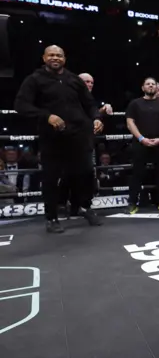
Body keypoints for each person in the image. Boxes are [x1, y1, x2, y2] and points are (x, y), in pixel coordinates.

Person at [14, 45, 103, 233]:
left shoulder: (73, 79)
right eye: (51, 55)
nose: (55, 58)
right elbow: (21, 105)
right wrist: (47, 116)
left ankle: (84, 207)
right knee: (51, 178)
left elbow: (89, 103)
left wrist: (96, 118)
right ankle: (51, 218)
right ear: (44, 57)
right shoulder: (34, 80)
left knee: (86, 173)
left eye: (59, 55)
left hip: (78, 134)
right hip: (52, 137)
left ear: (64, 58)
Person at [58, 72, 114, 218]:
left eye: (91, 82)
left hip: (86, 142)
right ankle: (64, 204)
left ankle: (80, 206)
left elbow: (90, 115)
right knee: (69, 174)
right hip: (68, 141)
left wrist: (101, 112)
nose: (88, 84)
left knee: (86, 174)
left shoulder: (89, 100)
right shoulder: (67, 97)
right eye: (85, 81)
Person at [125, 77, 159, 214]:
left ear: (156, 87)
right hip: (140, 143)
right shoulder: (135, 104)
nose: (151, 86)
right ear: (143, 88)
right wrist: (141, 138)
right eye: (148, 84)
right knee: (137, 173)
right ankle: (132, 203)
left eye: (153, 84)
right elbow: (130, 122)